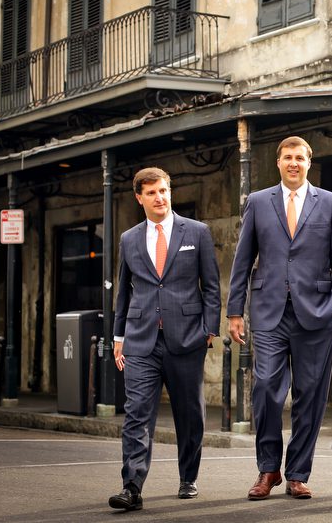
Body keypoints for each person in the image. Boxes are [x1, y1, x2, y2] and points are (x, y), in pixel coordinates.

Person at [227, 136, 332, 500]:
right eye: (287, 157)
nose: (293, 163)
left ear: (309, 162)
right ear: (278, 163)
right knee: (265, 388)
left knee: (310, 395)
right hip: (269, 311)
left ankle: (297, 473)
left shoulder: (330, 203)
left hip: (318, 313)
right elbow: (243, 258)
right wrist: (235, 311)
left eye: (300, 157)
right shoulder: (258, 201)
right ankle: (268, 469)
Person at [108, 167, 221, 511]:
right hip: (141, 341)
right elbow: (124, 294)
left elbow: (212, 286)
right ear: (139, 197)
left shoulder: (197, 232)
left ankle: (188, 476)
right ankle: (132, 486)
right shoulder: (129, 239)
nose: (160, 198)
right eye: (152, 192)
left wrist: (208, 330)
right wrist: (118, 336)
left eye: (164, 191)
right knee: (137, 413)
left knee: (190, 414)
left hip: (187, 339)